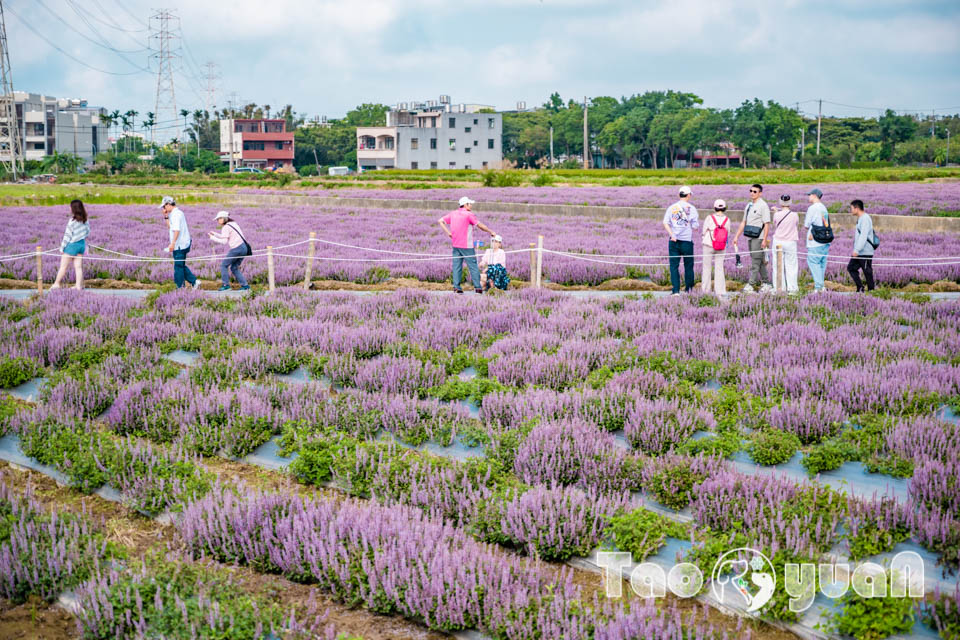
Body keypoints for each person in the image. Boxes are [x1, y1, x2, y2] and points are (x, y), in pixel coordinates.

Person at [438, 196, 496, 294]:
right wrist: (490, 231)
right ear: (465, 205)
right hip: (467, 245)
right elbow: (480, 225)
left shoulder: (453, 213)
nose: (471, 205)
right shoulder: (469, 215)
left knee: (457, 267)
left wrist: (448, 233)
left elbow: (440, 221)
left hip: (456, 245)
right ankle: (478, 287)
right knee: (473, 266)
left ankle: (456, 287)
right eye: (470, 203)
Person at [732, 183, 772, 293]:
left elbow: (767, 223)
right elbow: (743, 222)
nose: (752, 193)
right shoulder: (749, 205)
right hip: (750, 236)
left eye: (755, 191)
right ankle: (766, 282)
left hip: (758, 237)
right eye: (751, 191)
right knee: (758, 260)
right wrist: (736, 236)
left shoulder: (763, 205)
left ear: (760, 193)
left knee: (755, 261)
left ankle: (751, 284)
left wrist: (764, 239)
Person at [663, 186, 699, 295]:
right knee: (688, 266)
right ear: (689, 195)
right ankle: (689, 290)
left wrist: (672, 234)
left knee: (674, 266)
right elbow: (695, 226)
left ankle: (676, 291)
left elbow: (665, 223)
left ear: (679, 195)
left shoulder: (672, 208)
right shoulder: (692, 208)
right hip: (687, 241)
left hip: (673, 241)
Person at [160, 196, 201, 290]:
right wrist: (166, 216)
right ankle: (194, 282)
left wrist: (173, 243)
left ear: (168, 204)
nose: (164, 209)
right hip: (183, 243)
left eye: (164, 206)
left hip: (180, 245)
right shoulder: (176, 213)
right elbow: (171, 227)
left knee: (178, 267)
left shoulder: (176, 215)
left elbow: (176, 230)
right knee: (180, 265)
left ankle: (180, 288)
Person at [50, 199, 90, 290]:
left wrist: (62, 247)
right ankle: (78, 286)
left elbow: (67, 236)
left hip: (72, 246)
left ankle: (56, 284)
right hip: (81, 245)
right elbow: (88, 232)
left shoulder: (72, 221)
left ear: (73, 209)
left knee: (63, 267)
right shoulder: (85, 220)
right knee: (78, 267)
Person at [208, 210, 251, 291]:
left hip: (236, 248)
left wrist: (212, 238)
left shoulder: (226, 227)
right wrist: (215, 234)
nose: (217, 221)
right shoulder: (233, 224)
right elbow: (225, 236)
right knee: (234, 268)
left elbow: (224, 241)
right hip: (244, 248)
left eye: (218, 219)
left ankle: (226, 285)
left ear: (223, 218)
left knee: (224, 265)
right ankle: (245, 286)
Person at [770, 195, 800, 294]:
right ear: (790, 203)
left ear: (780, 202)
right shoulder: (795, 215)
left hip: (778, 241)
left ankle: (779, 288)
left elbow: (775, 224)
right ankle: (792, 289)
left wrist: (776, 212)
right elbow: (796, 224)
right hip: (791, 242)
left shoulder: (777, 214)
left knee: (777, 265)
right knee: (791, 265)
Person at [803, 188, 831, 292]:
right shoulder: (823, 207)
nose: (808, 197)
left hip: (815, 241)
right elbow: (825, 223)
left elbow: (806, 225)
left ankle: (819, 287)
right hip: (825, 240)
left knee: (814, 263)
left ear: (814, 195)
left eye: (809, 195)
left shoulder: (812, 208)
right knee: (821, 264)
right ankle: (821, 286)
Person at [700, 199, 729, 296]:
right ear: (724, 208)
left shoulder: (709, 217)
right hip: (721, 246)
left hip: (708, 244)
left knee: (706, 268)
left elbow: (704, 231)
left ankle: (705, 290)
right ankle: (720, 291)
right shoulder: (727, 219)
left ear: (714, 207)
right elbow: (727, 232)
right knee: (719, 268)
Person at [847, 199, 876, 292]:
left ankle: (871, 290)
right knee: (851, 268)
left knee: (867, 271)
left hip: (865, 251)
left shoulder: (865, 219)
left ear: (857, 208)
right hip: (860, 251)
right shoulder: (861, 219)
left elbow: (863, 236)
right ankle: (860, 288)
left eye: (851, 208)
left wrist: (857, 250)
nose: (850, 210)